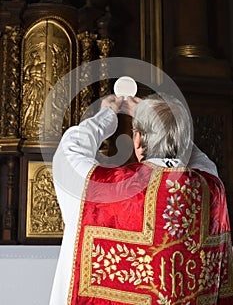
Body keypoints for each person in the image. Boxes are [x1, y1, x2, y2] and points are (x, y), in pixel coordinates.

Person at [50, 93, 233, 305]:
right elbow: (202, 161)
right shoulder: (210, 188)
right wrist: (167, 126)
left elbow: (69, 152)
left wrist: (106, 116)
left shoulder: (106, 189)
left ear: (137, 141)